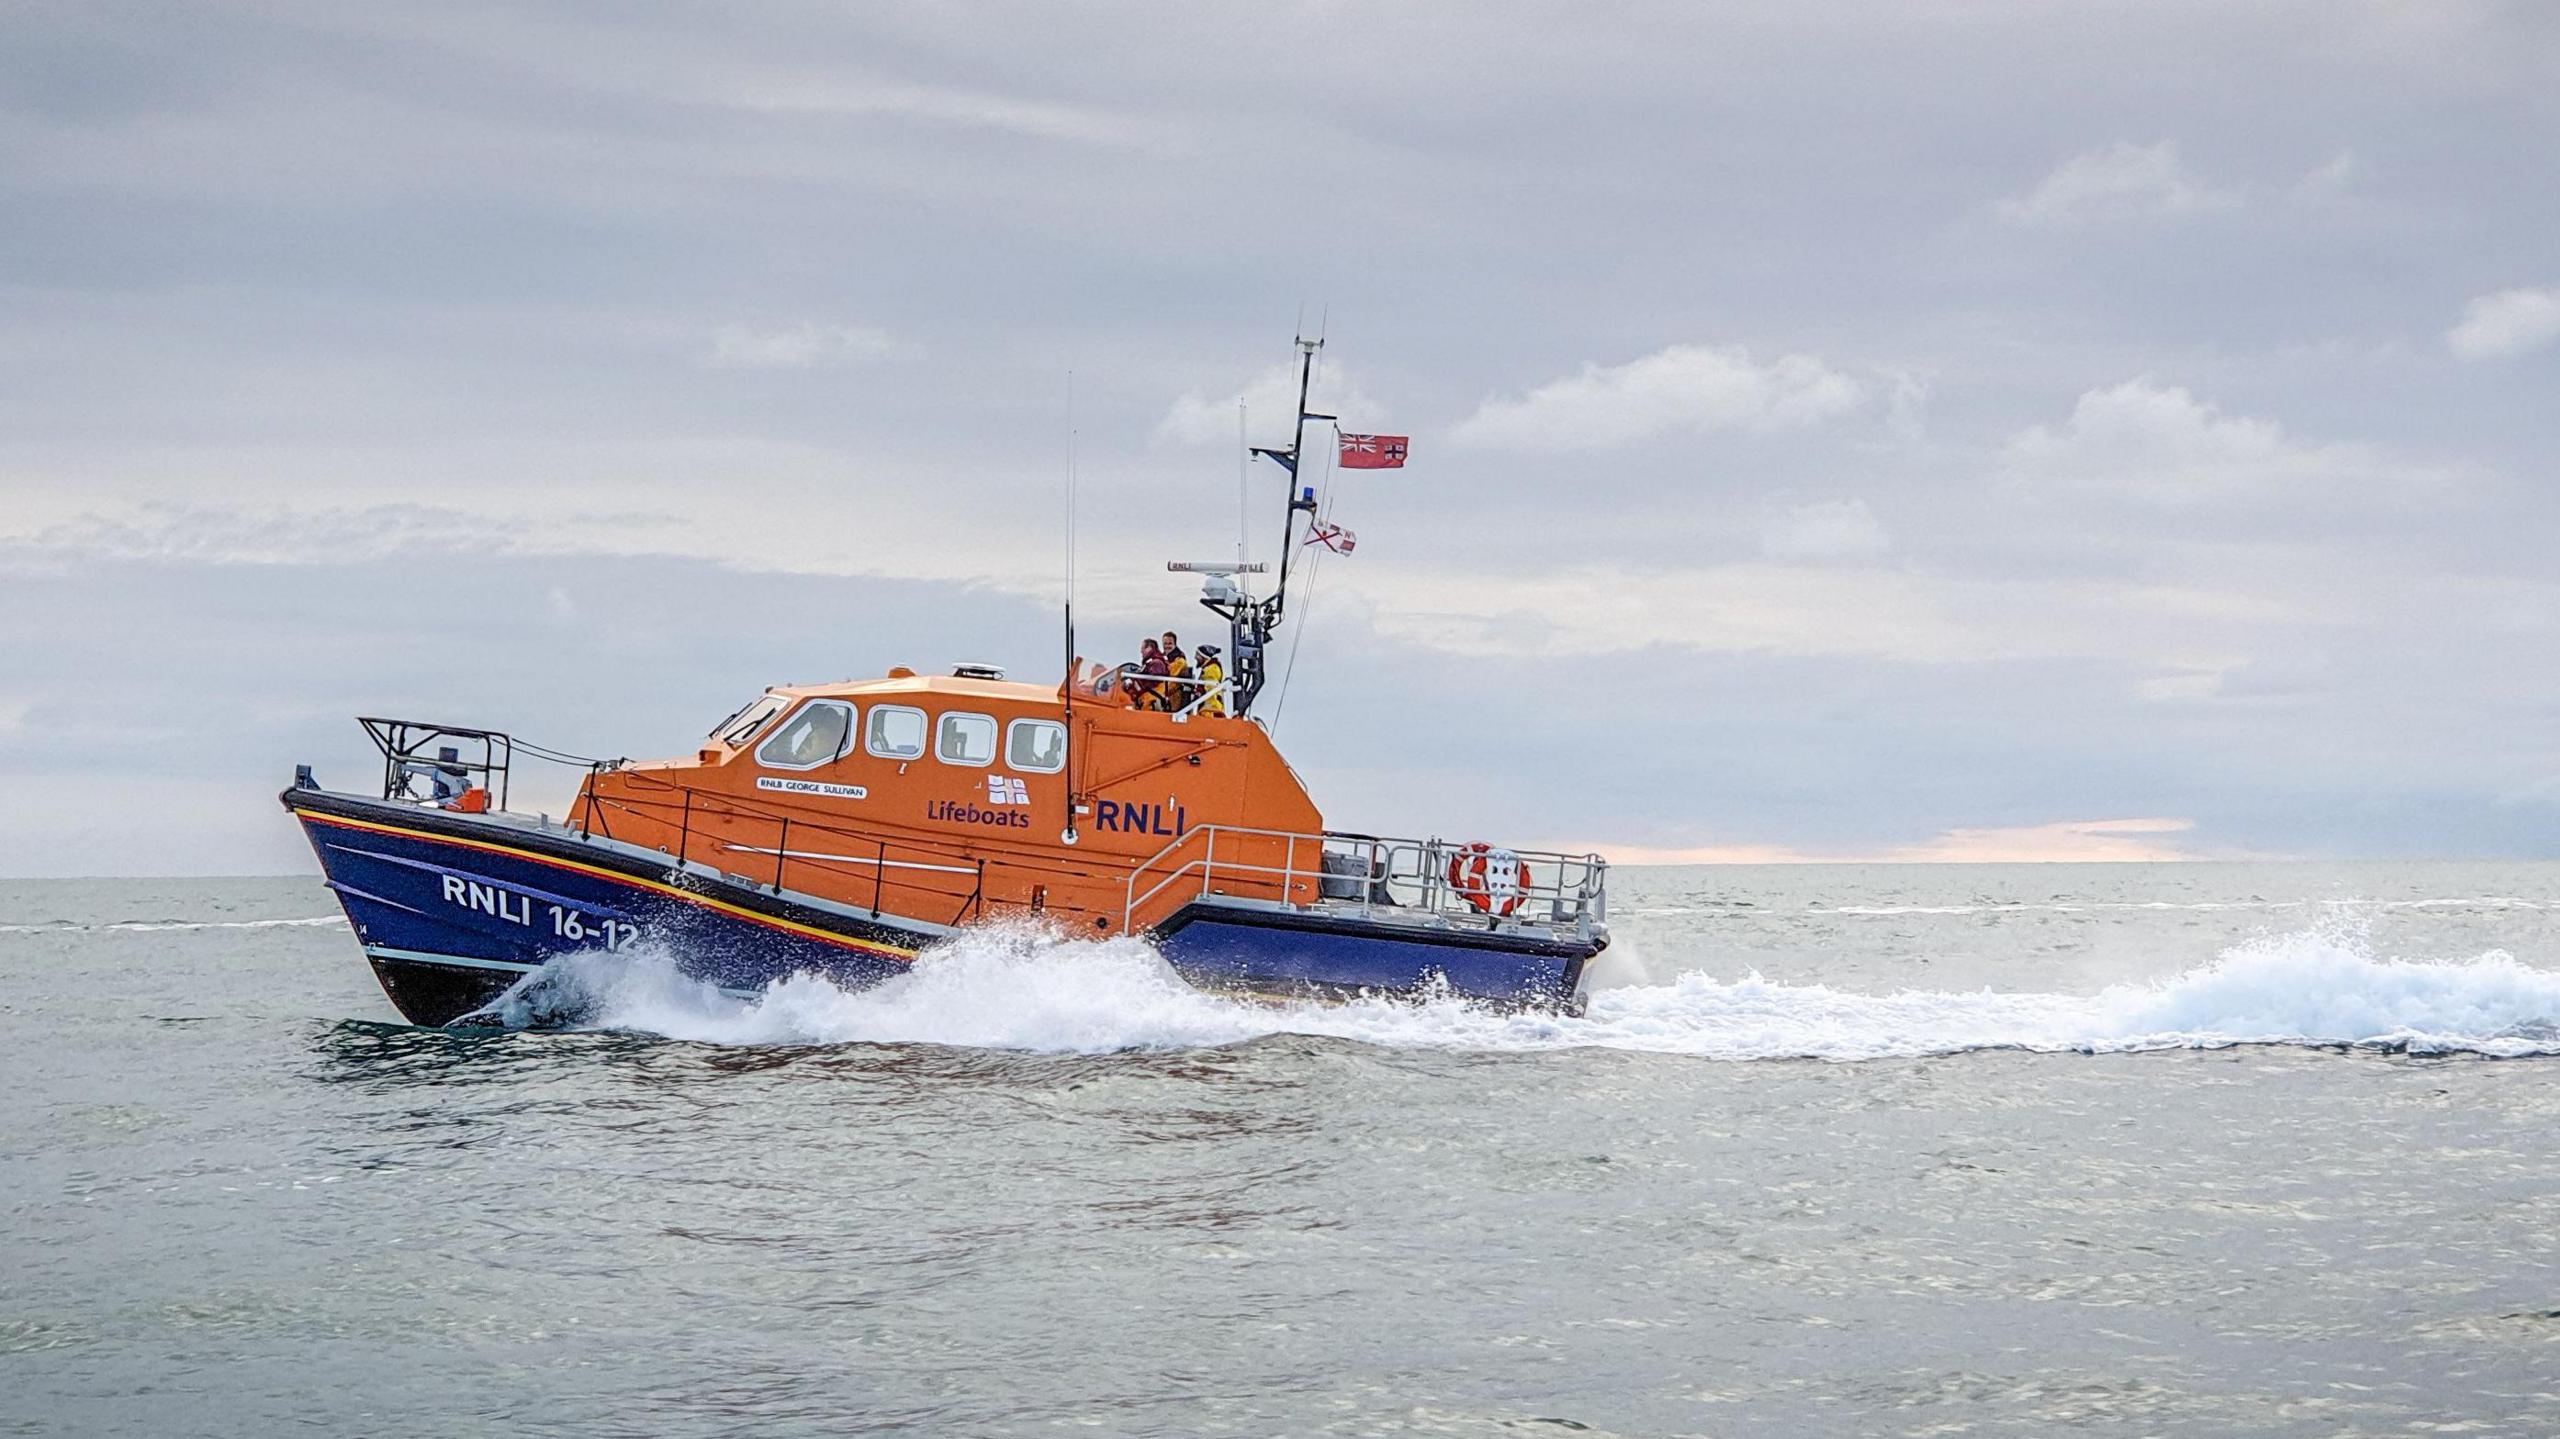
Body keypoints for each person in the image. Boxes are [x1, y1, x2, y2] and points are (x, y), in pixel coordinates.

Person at [1128, 638, 1169, 710]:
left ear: (1149, 648)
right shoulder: (1150, 663)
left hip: (1150, 701)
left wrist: (1138, 686)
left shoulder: (1157, 663)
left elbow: (1154, 681)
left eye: (1143, 648)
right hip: (1144, 698)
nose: (1141, 651)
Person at [1194, 643, 1226, 718]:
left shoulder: (1211, 670)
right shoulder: (1209, 668)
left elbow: (1211, 692)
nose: (1195, 657)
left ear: (1204, 657)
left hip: (1210, 711)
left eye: (1198, 655)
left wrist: (1209, 710)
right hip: (1209, 709)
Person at [1160, 632, 1191, 710]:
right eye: (1165, 643)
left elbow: (1171, 680)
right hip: (1164, 695)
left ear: (1175, 644)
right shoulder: (1161, 657)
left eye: (1170, 643)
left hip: (1176, 697)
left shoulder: (1180, 660)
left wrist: (1158, 694)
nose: (1167, 646)